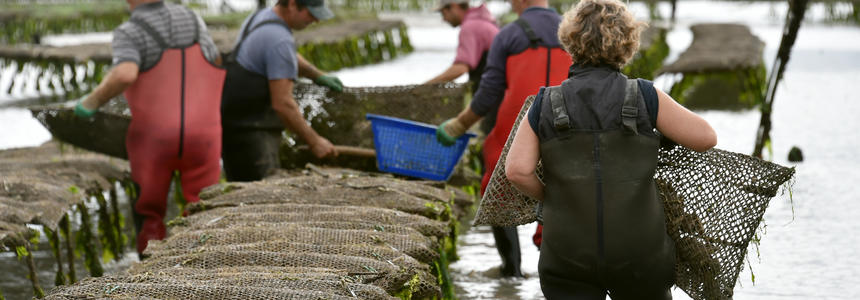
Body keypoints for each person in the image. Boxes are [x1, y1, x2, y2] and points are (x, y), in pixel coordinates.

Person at [504, 0, 718, 298]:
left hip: (567, 253)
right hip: (640, 253)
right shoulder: (644, 95)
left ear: (570, 41)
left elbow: (516, 171)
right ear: (627, 42)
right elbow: (706, 137)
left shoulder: (545, 102)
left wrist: (555, 197)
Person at [73, 0, 225, 255]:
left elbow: (124, 74)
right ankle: (200, 270)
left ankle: (150, 275)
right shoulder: (192, 19)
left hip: (154, 141)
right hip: (204, 134)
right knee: (203, 207)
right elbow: (216, 59)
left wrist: (91, 102)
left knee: (150, 214)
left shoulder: (129, 31)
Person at [436, 0, 572, 277]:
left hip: (517, 127)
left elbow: (488, 95)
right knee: (565, 188)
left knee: (496, 187)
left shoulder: (508, 34)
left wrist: (457, 125)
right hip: (566, 124)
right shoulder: (573, 30)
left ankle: (511, 271)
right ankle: (555, 273)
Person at [220, 0, 341, 182]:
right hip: (252, 138)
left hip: (230, 125)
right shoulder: (279, 39)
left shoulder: (261, 17)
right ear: (292, 4)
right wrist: (315, 141)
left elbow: (283, 55)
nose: (315, 20)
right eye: (311, 13)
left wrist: (316, 75)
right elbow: (283, 104)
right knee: (258, 197)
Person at [426, 0, 498, 133]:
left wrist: (427, 86)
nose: (443, 19)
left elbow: (460, 68)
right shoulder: (484, 22)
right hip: (499, 95)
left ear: (454, 6)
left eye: (443, 12)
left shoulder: (470, 27)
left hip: (492, 98)